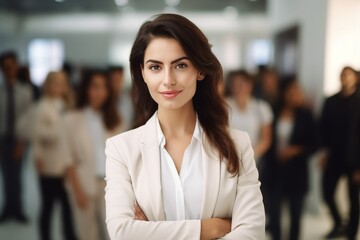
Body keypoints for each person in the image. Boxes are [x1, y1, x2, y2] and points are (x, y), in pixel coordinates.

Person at [105, 13, 265, 240]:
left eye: (180, 65)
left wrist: (152, 233)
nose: (168, 79)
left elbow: (252, 233)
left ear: (199, 70)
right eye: (155, 67)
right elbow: (122, 232)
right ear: (142, 72)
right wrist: (208, 229)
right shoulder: (121, 150)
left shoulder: (237, 144)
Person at [65, 69, 124, 240]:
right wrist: (77, 191)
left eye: (104, 88)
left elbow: (122, 158)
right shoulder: (71, 119)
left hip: (111, 186)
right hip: (83, 183)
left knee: (113, 233)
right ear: (85, 89)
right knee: (86, 234)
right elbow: (68, 158)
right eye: (94, 87)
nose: (100, 93)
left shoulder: (117, 120)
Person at [266, 77, 317, 240]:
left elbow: (315, 143)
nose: (296, 95)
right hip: (275, 170)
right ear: (284, 93)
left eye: (297, 91)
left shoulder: (306, 115)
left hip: (297, 171)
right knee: (274, 214)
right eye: (291, 91)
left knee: (295, 215)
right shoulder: (273, 111)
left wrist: (294, 150)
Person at [33, 71, 77, 240]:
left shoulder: (68, 104)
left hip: (67, 164)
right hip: (50, 163)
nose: (59, 87)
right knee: (48, 206)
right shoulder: (43, 106)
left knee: (68, 206)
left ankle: (70, 235)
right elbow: (37, 135)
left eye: (62, 83)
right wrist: (38, 157)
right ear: (48, 85)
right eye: (55, 83)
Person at [320, 66, 360, 240]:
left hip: (355, 161)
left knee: (353, 201)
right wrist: (323, 153)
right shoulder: (331, 101)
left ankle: (351, 234)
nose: (345, 78)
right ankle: (338, 224)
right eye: (342, 75)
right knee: (327, 194)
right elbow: (324, 128)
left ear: (355, 79)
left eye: (348, 75)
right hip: (334, 157)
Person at [0, 51, 32, 223]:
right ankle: (7, 208)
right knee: (6, 175)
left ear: (16, 67)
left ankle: (18, 209)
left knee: (18, 175)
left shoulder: (25, 91)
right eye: (5, 67)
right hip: (3, 139)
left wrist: (22, 142)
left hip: (19, 140)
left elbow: (27, 118)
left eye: (12, 66)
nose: (9, 70)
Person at [225, 69, 273, 163]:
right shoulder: (224, 105)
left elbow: (266, 139)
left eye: (241, 84)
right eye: (234, 85)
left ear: (250, 85)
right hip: (228, 158)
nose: (237, 88)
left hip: (253, 159)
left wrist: (250, 155)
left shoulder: (262, 107)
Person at [107, 65, 133, 130]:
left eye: (119, 80)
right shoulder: (104, 100)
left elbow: (127, 124)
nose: (117, 84)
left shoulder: (127, 100)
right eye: (114, 80)